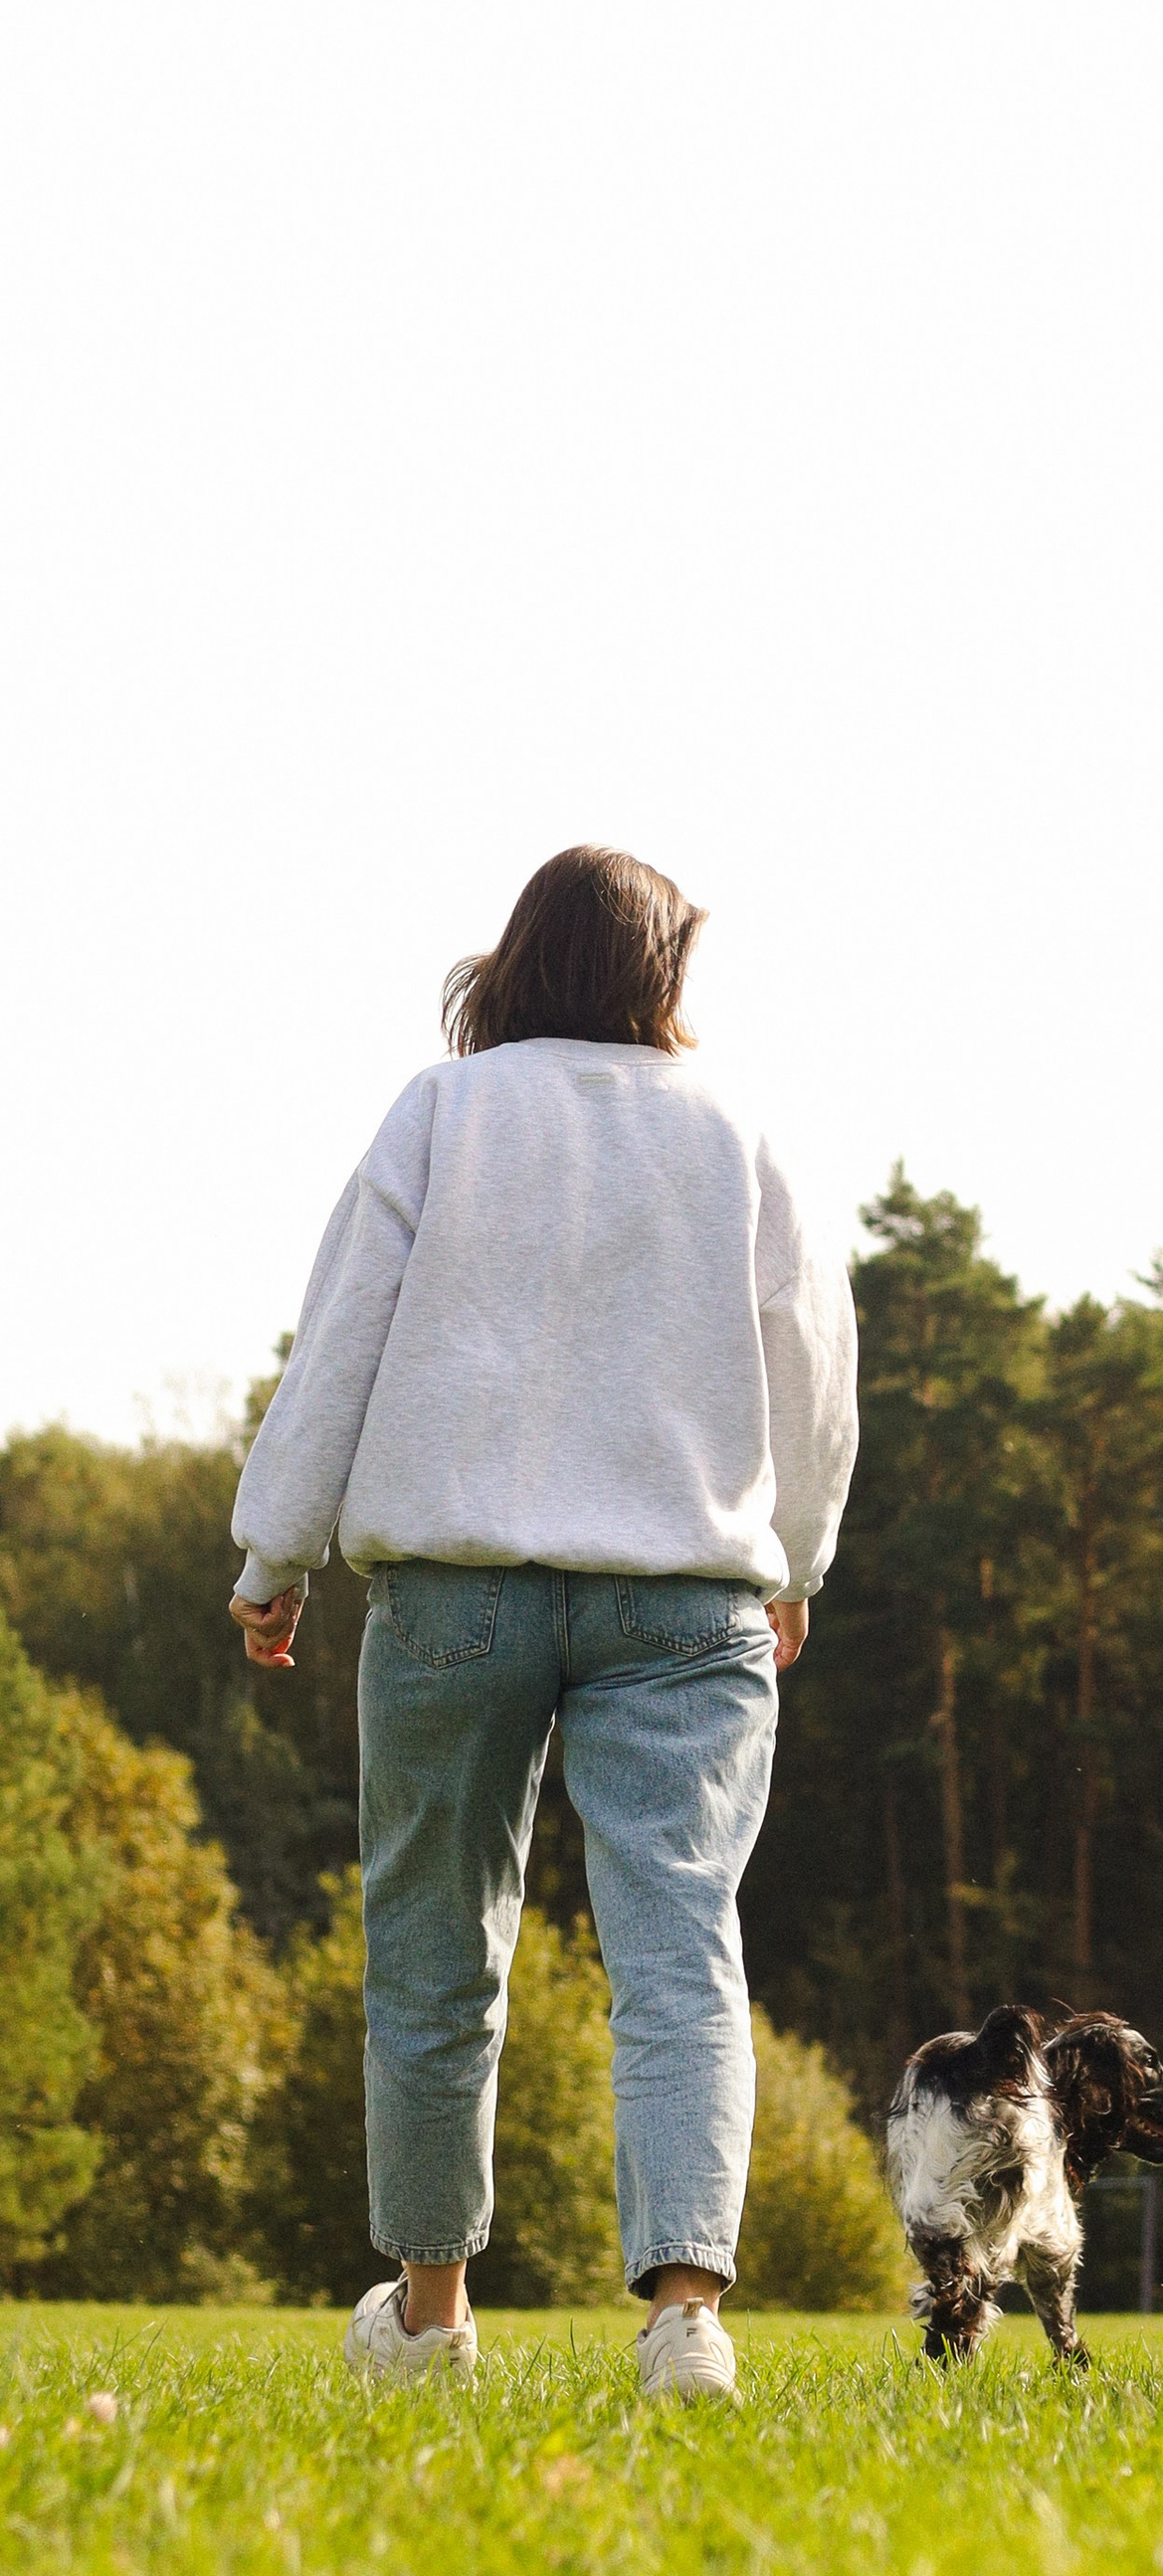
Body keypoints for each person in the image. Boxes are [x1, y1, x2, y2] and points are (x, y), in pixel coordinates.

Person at [228, 846, 859, 2401]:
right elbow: (813, 1361)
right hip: (689, 1599)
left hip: (455, 1590)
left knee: (436, 1952)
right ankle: (686, 2323)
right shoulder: (738, 1129)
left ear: (519, 957)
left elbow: (342, 1342)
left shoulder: (440, 1112)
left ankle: (431, 2320)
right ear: (661, 975)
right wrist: (793, 1562)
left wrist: (274, 1552)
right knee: (679, 1949)